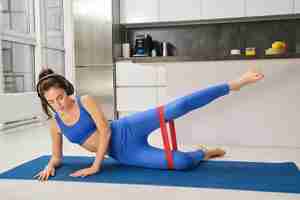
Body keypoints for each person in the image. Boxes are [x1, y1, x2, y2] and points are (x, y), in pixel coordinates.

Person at [34, 68, 264, 181]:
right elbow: (57, 157)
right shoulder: (55, 124)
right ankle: (202, 153)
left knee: (178, 106)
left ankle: (235, 83)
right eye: (52, 101)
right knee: (183, 162)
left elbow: (104, 131)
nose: (59, 104)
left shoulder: (84, 100)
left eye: (61, 97)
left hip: (126, 128)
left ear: (67, 90)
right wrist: (50, 165)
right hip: (125, 153)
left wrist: (96, 166)